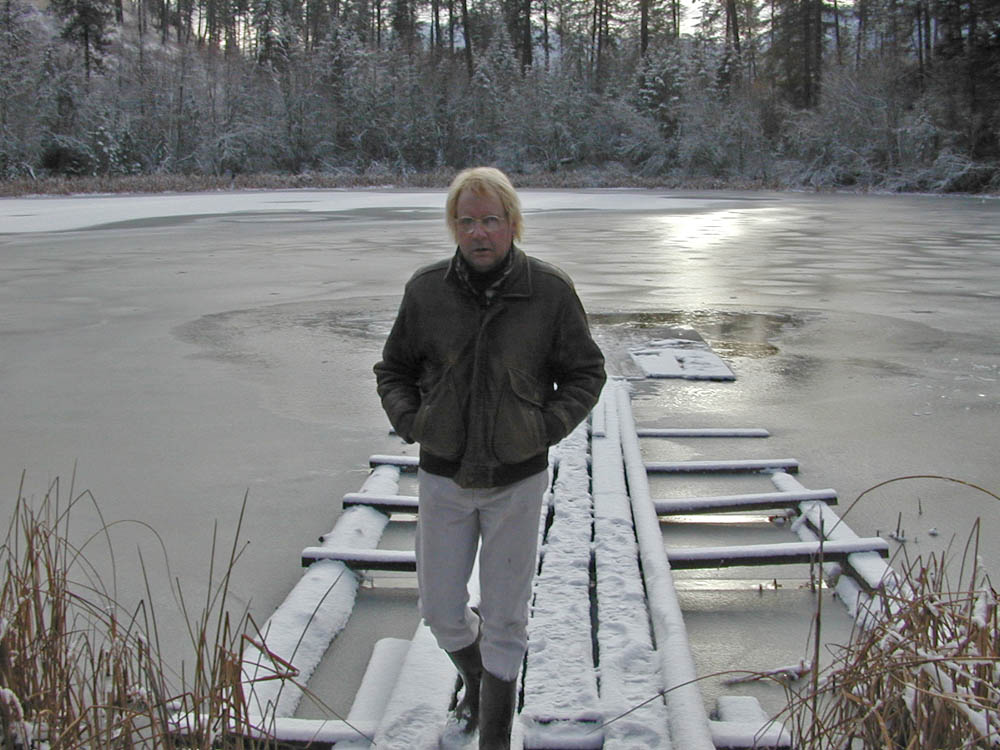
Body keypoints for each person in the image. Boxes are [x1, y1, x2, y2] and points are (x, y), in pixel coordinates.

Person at [374, 167, 606, 749]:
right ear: (454, 226)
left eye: (491, 220)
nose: (479, 233)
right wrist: (414, 422)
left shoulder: (548, 291)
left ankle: (494, 736)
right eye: (467, 221)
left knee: (506, 619)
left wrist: (543, 428)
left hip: (517, 481)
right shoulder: (426, 291)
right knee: (441, 611)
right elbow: (394, 370)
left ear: (512, 223)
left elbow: (585, 372)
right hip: (444, 475)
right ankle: (476, 682)